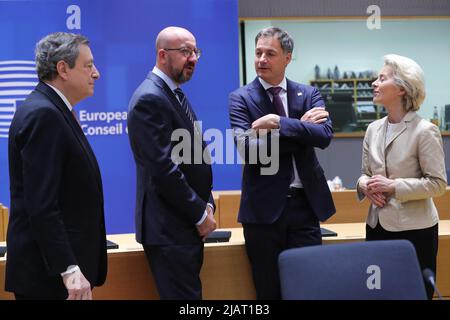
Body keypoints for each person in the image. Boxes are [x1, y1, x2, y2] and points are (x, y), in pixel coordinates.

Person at [228, 27, 336, 299]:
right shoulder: (241, 98)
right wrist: (301, 129)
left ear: (287, 58)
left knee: (309, 288)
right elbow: (250, 151)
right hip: (263, 213)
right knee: (269, 291)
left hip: (305, 206)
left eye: (270, 53)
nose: (262, 59)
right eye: (258, 53)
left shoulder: (308, 94)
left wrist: (278, 123)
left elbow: (323, 136)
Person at [6, 32, 107, 300]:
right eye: (88, 65)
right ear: (63, 69)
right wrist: (68, 268)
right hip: (50, 276)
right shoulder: (44, 114)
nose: (96, 74)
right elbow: (41, 203)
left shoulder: (53, 109)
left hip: (58, 272)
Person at [127, 26, 216, 300]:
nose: (193, 59)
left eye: (196, 52)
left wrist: (207, 202)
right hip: (169, 230)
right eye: (186, 52)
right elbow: (163, 169)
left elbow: (191, 157)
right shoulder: (150, 98)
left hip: (182, 227)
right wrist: (199, 214)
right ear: (162, 55)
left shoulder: (173, 93)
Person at [357, 54, 447, 299]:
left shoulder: (425, 131)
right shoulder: (372, 129)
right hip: (376, 226)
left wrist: (393, 186)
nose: (374, 83)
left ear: (401, 88)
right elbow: (364, 175)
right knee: (379, 294)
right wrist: (365, 185)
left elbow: (438, 184)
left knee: (414, 293)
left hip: (415, 230)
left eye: (381, 78)